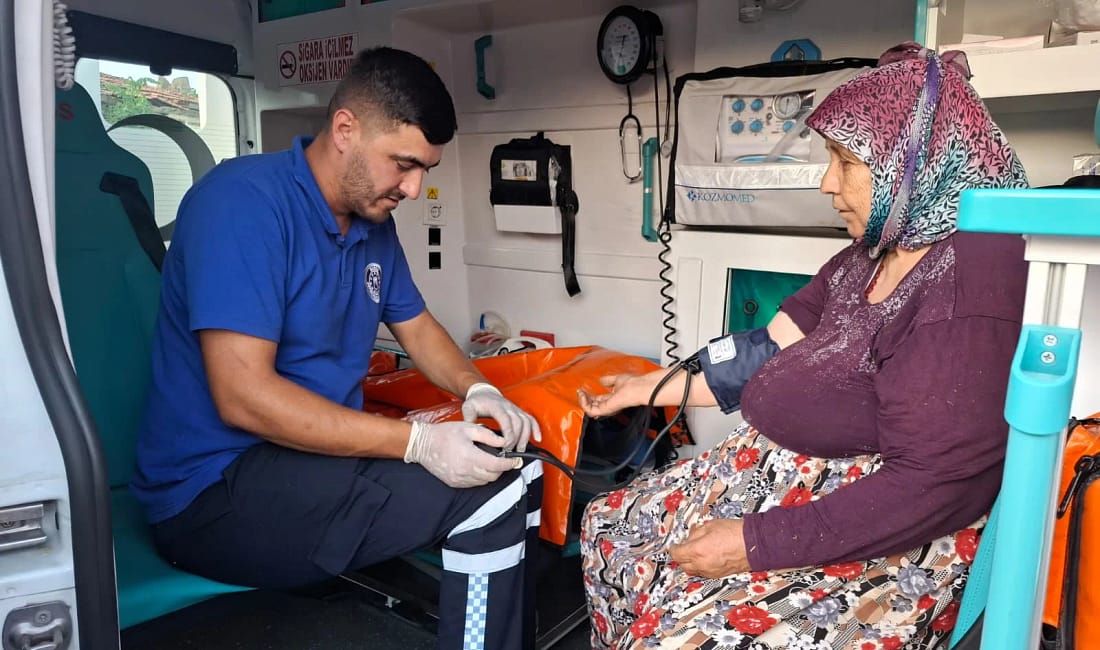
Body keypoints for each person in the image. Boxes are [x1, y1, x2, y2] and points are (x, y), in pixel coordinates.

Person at [577, 42, 1030, 649]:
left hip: (868, 526)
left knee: (676, 635)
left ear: (918, 164)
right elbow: (767, 347)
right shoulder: (869, 253)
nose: (826, 183)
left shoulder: (969, 285)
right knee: (609, 525)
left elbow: (934, 487)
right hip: (766, 472)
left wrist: (751, 543)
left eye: (845, 162)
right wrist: (644, 388)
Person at [132, 47, 543, 650]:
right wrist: (420, 443)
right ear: (346, 129)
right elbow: (243, 398)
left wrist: (477, 388)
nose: (414, 187)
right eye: (404, 164)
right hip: (211, 492)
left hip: (306, 461)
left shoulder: (373, 222)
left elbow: (418, 328)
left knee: (519, 466)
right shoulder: (243, 205)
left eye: (425, 168)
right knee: (491, 496)